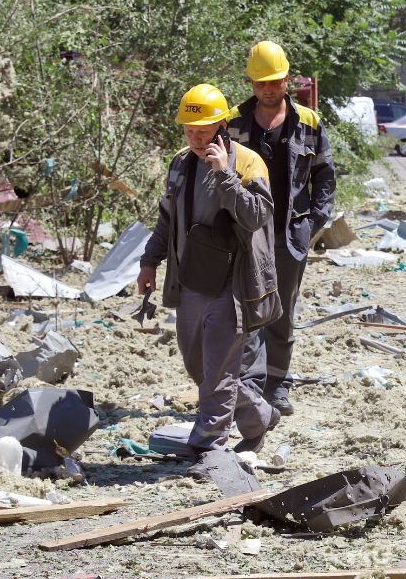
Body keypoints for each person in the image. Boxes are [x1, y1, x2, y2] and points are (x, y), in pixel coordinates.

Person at [137, 84, 282, 473]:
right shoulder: (180, 164)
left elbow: (256, 217)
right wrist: (149, 262)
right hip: (191, 282)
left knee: (218, 372)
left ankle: (208, 448)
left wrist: (225, 174)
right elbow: (167, 220)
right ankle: (258, 415)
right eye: (190, 131)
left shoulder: (249, 163)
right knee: (201, 367)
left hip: (232, 284)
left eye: (203, 131)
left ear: (221, 126)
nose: (197, 139)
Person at [230, 41, 336, 416]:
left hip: (291, 234)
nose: (269, 89)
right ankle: (249, 386)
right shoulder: (233, 122)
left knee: (282, 312)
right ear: (251, 83)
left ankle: (278, 385)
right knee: (245, 310)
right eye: (261, 83)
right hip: (246, 235)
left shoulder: (308, 121)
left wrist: (314, 221)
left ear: (287, 79)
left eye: (275, 81)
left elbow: (325, 173)